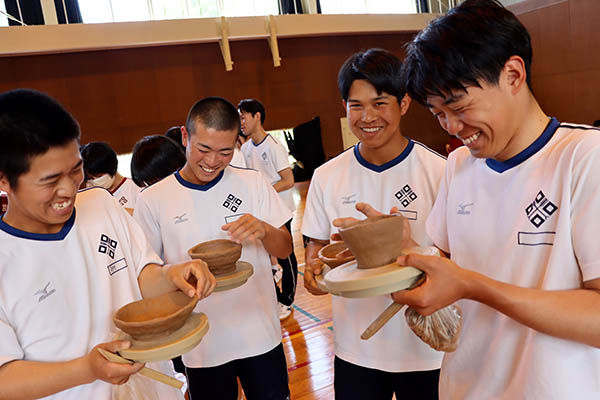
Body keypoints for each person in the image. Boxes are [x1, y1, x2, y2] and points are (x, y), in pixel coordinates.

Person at [388, 1, 600, 398]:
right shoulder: (459, 165)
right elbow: (448, 267)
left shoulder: (585, 158)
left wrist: (474, 286)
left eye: (459, 107)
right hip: (465, 385)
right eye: (437, 113)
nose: (452, 126)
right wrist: (399, 252)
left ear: (513, 74)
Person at [0, 88, 216, 400]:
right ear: (4, 179)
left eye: (75, 170)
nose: (68, 190)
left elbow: (140, 277)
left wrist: (171, 276)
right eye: (50, 180)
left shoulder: (101, 205)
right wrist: (88, 369)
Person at [301, 48, 446, 399]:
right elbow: (316, 246)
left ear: (404, 103)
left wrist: (403, 247)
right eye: (356, 105)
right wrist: (315, 272)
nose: (367, 117)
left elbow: (459, 259)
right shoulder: (327, 176)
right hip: (356, 350)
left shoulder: (440, 172)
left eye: (380, 103)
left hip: (425, 350)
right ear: (344, 107)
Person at [134, 96, 293, 400]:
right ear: (185, 136)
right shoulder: (153, 199)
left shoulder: (253, 183)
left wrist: (264, 230)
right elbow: (147, 274)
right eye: (203, 149)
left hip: (260, 333)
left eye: (225, 152)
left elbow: (284, 248)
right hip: (201, 343)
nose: (212, 161)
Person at [238, 99, 298, 320]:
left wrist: (264, 191)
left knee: (285, 257)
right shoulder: (245, 148)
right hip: (260, 213)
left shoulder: (273, 146)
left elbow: (289, 180)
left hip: (279, 211)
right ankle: (275, 297)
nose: (241, 122)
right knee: (264, 256)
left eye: (244, 117)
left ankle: (287, 300)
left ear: (257, 116)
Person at [80, 141, 141, 214]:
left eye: (98, 176)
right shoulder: (92, 196)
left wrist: (111, 210)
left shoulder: (136, 188)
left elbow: (145, 217)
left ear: (111, 168)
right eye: (89, 179)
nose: (94, 181)